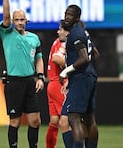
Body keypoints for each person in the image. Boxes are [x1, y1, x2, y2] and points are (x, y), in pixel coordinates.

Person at [0, 0, 45, 148]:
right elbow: (5, 16)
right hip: (14, 82)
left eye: (22, 20)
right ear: (12, 20)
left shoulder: (34, 38)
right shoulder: (7, 33)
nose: (19, 22)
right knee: (15, 121)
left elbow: (39, 58)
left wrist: (40, 77)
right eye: (16, 19)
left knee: (35, 121)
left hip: (29, 81)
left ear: (26, 21)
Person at [59, 4, 100, 148]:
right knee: (89, 118)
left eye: (70, 15)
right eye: (66, 14)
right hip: (89, 77)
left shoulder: (75, 33)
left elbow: (84, 58)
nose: (67, 17)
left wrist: (66, 71)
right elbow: (95, 54)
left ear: (77, 17)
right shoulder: (84, 32)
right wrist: (90, 71)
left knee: (74, 118)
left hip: (80, 78)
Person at [45, 19, 70, 148]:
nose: (58, 31)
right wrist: (72, 65)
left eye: (60, 29)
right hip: (59, 84)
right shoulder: (63, 42)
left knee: (54, 121)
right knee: (68, 120)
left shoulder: (56, 42)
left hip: (51, 84)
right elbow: (56, 58)